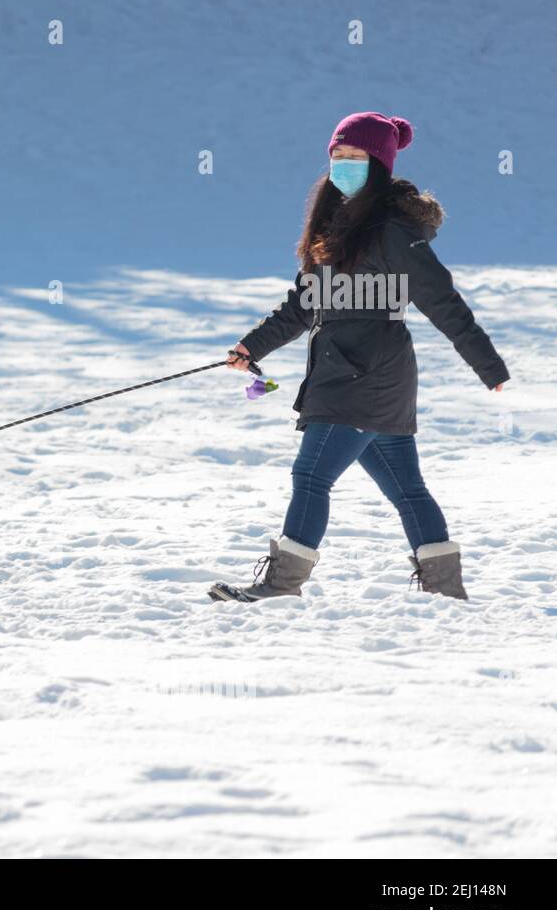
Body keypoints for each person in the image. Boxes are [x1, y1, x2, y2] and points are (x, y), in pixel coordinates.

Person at [209, 112, 509, 603]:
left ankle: (280, 586)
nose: (344, 164)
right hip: (349, 374)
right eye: (337, 155)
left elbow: (441, 299)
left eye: (355, 156)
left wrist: (488, 365)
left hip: (367, 376)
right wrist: (251, 348)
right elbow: (304, 304)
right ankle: (446, 592)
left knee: (311, 475)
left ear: (380, 164)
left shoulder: (392, 230)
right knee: (406, 487)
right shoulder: (333, 225)